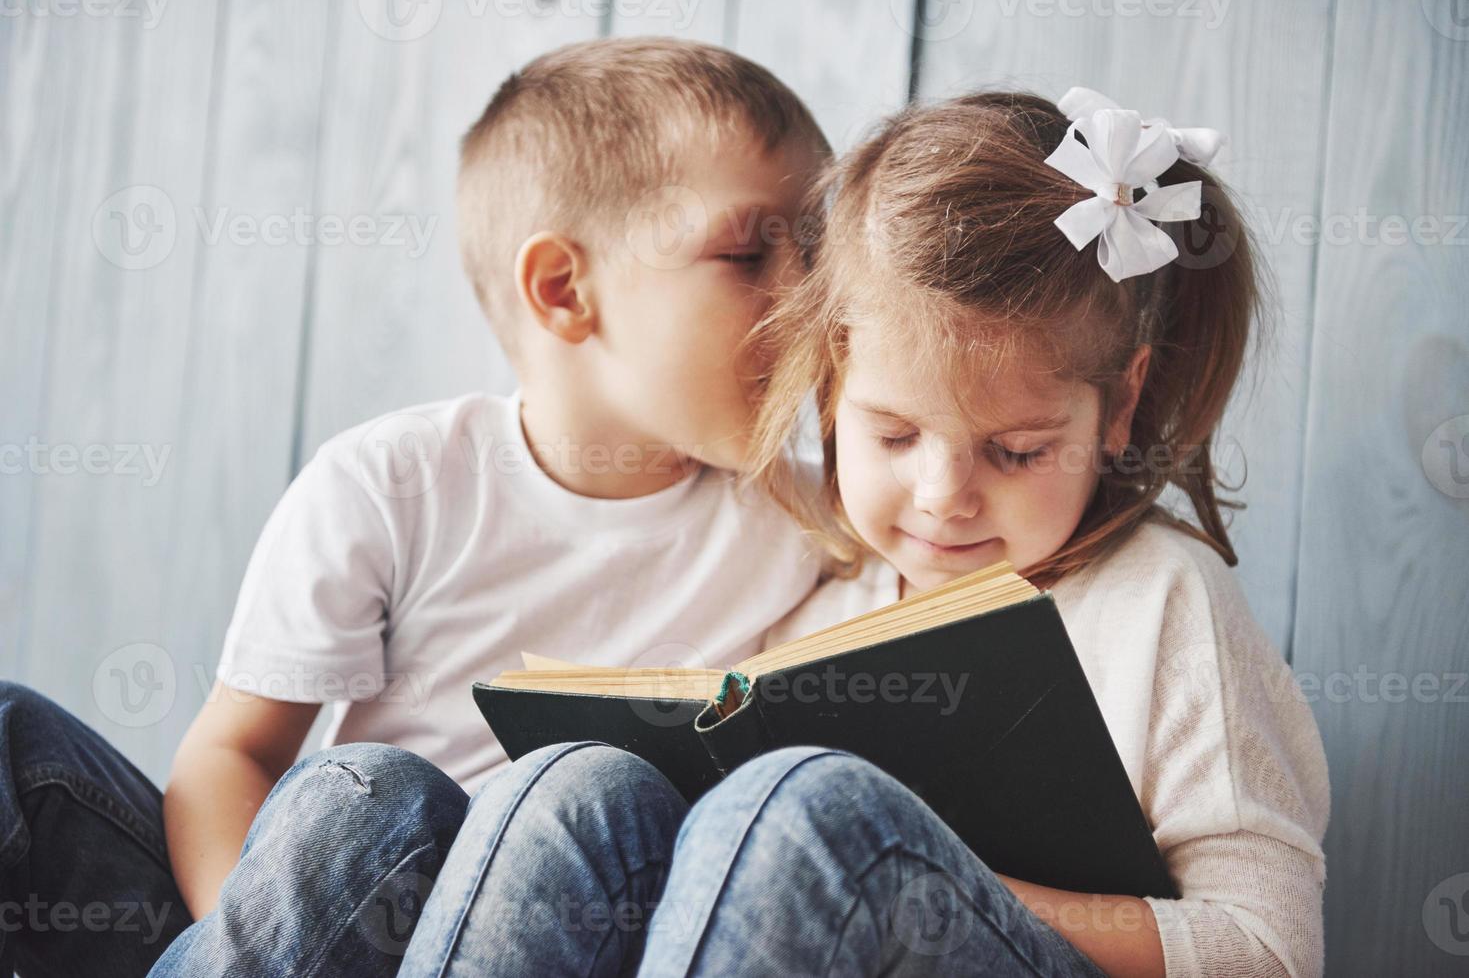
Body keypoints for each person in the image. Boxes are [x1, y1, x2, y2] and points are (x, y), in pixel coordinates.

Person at [394, 88, 1330, 978]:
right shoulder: (816, 598)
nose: (942, 497)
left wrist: (916, 875)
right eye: (892, 435)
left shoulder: (1163, 598)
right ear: (833, 384)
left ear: (1117, 404)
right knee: (568, 787)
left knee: (810, 807)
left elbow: (1265, 949)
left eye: (1014, 451)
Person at [0, 37, 834, 977]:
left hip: (542, 932)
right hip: (327, 915)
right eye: (748, 250)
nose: (809, 295)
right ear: (564, 292)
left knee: (542, 791)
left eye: (816, 247)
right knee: (361, 797)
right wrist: (269, 941)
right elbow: (227, 757)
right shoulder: (394, 482)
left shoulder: (818, 516)